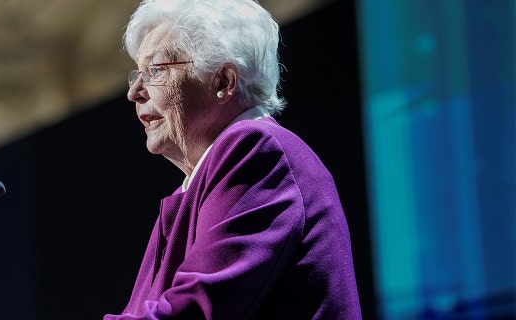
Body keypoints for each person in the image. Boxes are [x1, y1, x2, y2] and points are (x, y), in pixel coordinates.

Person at [104, 0, 362, 319]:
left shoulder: (257, 150)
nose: (135, 92)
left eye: (155, 70)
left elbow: (198, 307)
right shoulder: (189, 190)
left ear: (224, 81)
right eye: (137, 74)